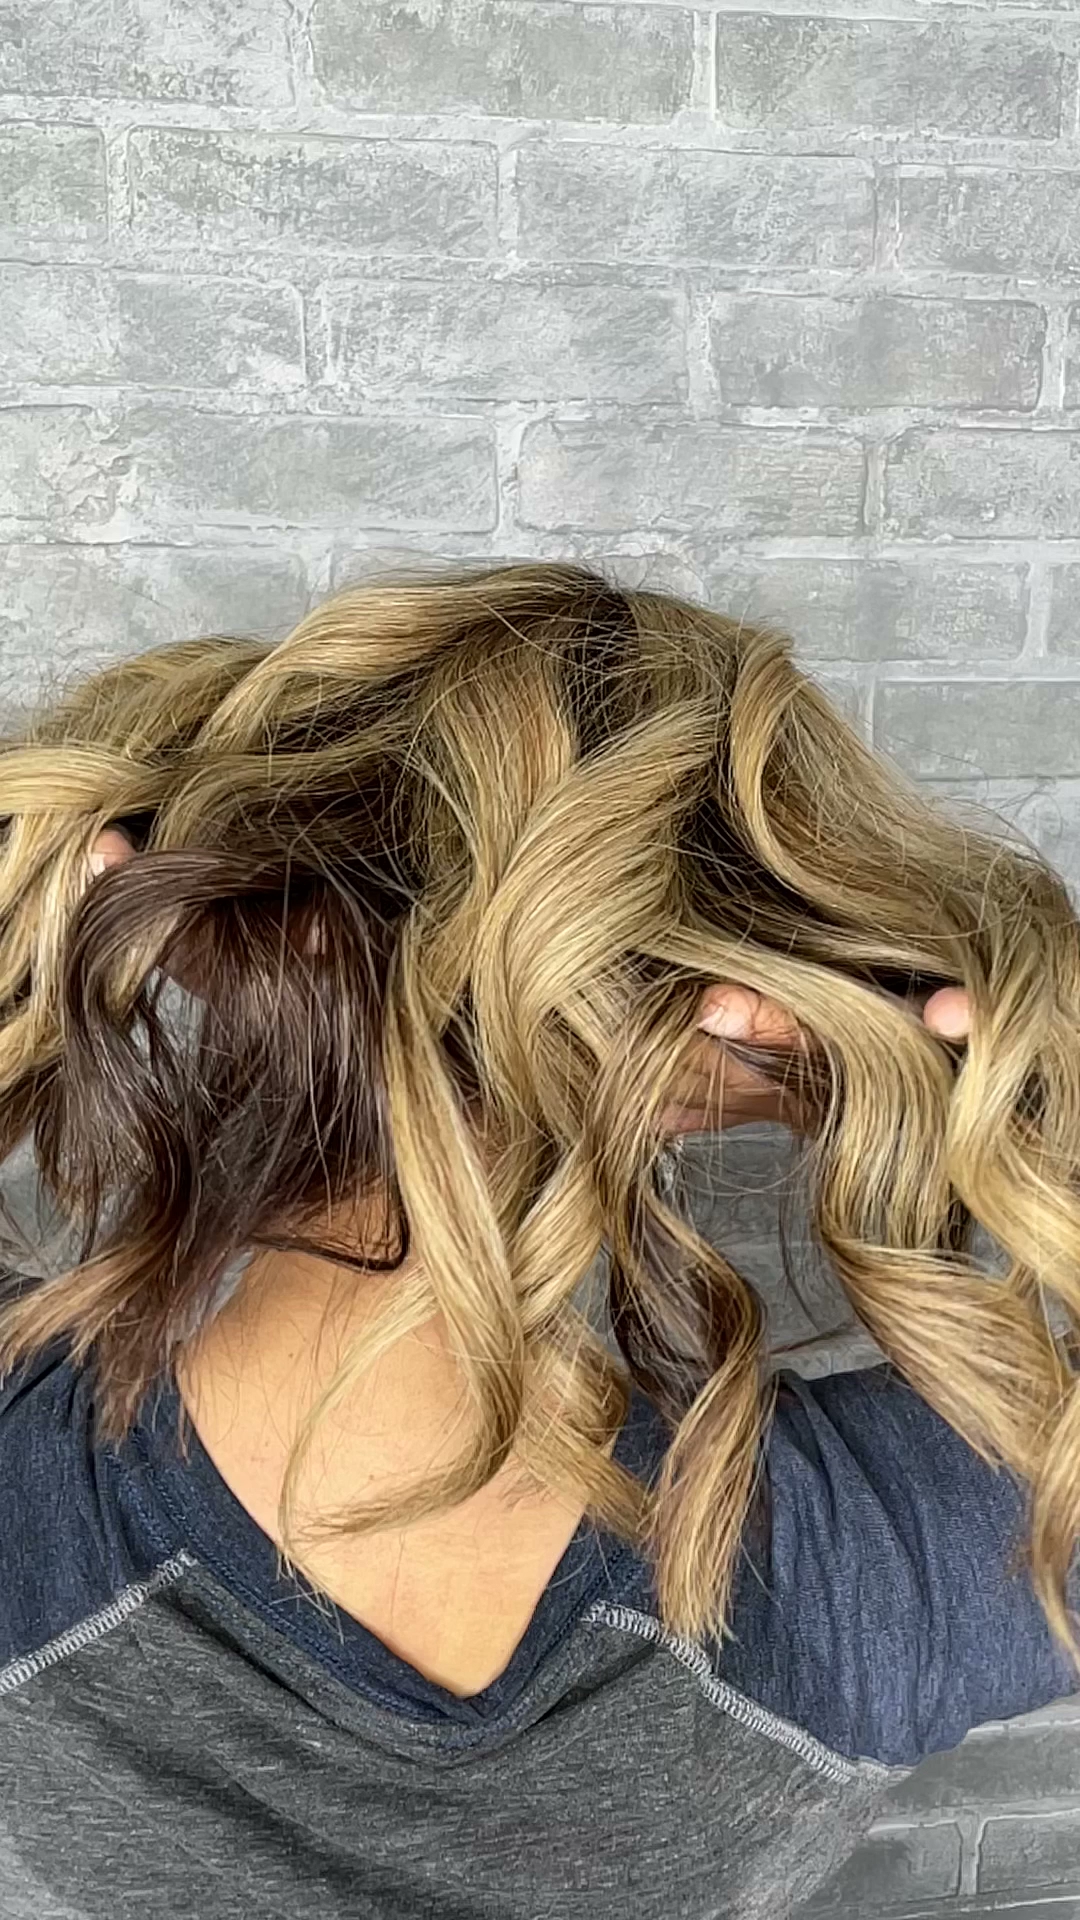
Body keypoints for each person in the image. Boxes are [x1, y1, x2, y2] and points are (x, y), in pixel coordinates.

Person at [1, 566, 1077, 1920]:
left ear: (258, 940)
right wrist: (1018, 1079)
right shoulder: (880, 1568)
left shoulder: (26, 1511)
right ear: (732, 1012)